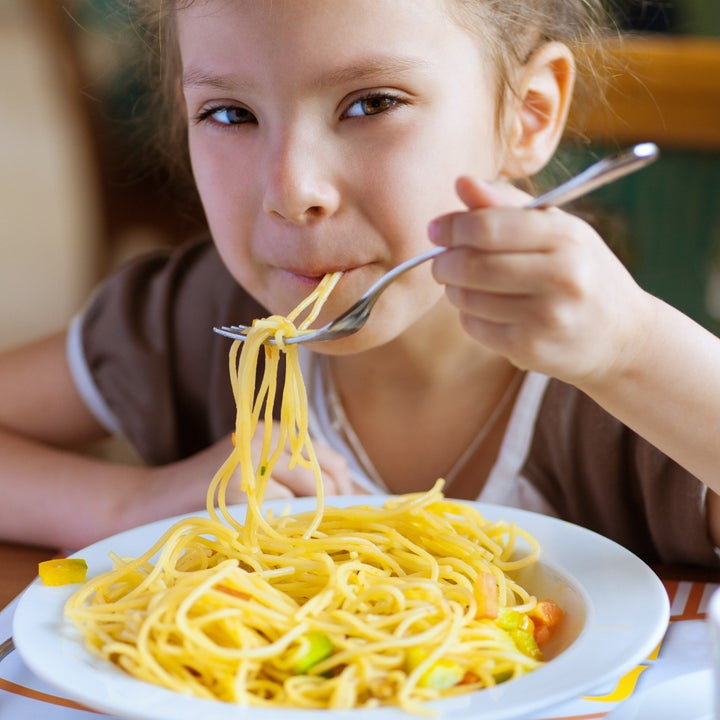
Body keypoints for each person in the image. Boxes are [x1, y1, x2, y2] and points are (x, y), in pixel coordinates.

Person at [1, 0, 718, 566]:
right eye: (229, 114)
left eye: (372, 104)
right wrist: (122, 507)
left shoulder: (622, 395)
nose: (292, 190)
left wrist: (635, 350)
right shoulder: (191, 320)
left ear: (526, 116)